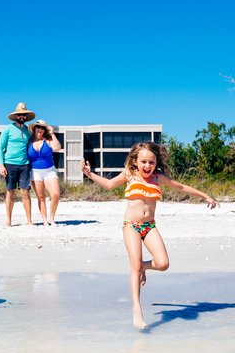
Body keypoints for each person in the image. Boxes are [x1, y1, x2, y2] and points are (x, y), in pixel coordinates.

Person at [81, 142, 219, 329]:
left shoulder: (157, 177)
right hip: (131, 226)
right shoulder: (129, 175)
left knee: (163, 264)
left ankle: (143, 267)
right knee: (133, 265)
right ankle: (137, 308)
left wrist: (205, 196)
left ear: (156, 163)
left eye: (151, 162)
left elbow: (181, 187)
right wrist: (89, 173)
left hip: (149, 226)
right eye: (143, 161)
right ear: (135, 161)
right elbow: (108, 184)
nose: (147, 166)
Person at [0, 102, 35, 226]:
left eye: (24, 115)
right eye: (20, 114)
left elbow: (35, 142)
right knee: (10, 192)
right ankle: (8, 220)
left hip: (25, 165)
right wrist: (1, 165)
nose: (22, 117)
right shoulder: (8, 128)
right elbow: (0, 148)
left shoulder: (28, 130)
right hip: (9, 164)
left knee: (25, 192)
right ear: (16, 116)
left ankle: (29, 220)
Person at [27, 119, 62, 225]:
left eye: (43, 128)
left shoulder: (48, 140)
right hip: (35, 172)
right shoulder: (29, 143)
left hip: (49, 171)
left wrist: (52, 133)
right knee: (41, 198)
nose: (40, 129)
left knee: (55, 194)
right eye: (38, 127)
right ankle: (44, 220)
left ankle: (52, 218)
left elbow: (57, 148)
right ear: (34, 128)